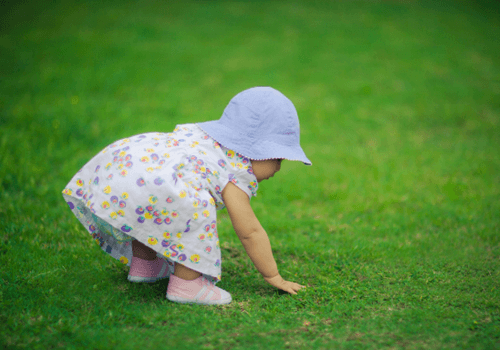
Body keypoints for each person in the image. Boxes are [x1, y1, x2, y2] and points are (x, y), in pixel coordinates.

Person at [62, 86, 312, 305]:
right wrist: (273, 276)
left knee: (152, 206)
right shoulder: (236, 171)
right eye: (278, 158)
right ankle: (187, 285)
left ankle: (145, 265)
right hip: (169, 184)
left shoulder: (206, 140)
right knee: (192, 211)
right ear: (255, 150)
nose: (278, 168)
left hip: (137, 164)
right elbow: (250, 232)